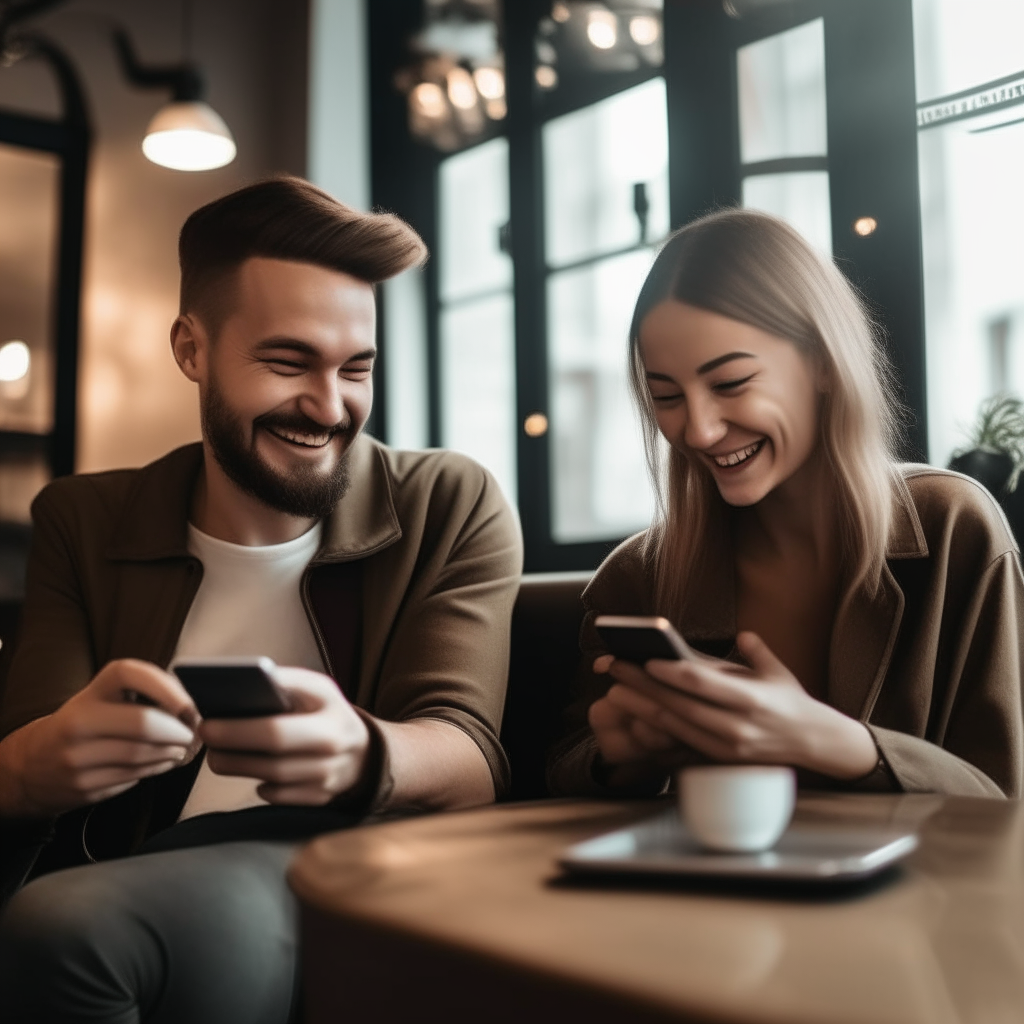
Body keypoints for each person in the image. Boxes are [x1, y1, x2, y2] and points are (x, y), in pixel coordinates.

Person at [0, 177, 522, 1023]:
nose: (328, 405)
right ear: (191, 351)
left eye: (357, 369)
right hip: (130, 862)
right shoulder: (83, 518)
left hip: (348, 860)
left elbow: (470, 757)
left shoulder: (446, 502)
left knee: (65, 929)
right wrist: (43, 759)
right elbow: (22, 750)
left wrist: (359, 753)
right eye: (288, 362)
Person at [548, 208, 1023, 801]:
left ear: (823, 362)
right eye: (664, 395)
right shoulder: (636, 577)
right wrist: (623, 760)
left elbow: (1006, 803)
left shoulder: (955, 527)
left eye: (730, 384)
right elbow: (563, 775)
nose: (696, 430)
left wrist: (841, 744)